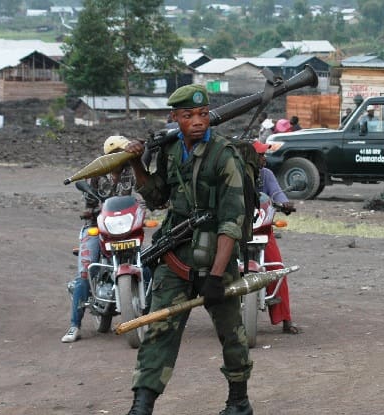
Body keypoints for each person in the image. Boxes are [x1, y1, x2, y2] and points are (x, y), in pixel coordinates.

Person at [123, 84, 253, 415]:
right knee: (159, 333)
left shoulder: (225, 156)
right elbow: (155, 198)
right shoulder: (169, 152)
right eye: (188, 115)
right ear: (175, 118)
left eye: (203, 114)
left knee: (232, 334)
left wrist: (216, 276)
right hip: (175, 258)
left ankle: (238, 401)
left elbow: (231, 222)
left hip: (216, 259)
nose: (197, 121)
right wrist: (137, 163)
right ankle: (141, 405)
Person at [61, 136, 136, 342]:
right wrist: (91, 210)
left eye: (124, 152)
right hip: (96, 226)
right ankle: (74, 326)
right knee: (85, 271)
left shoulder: (132, 171)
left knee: (147, 261)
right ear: (108, 156)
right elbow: (88, 204)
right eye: (117, 153)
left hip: (123, 226)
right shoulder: (95, 173)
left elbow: (140, 193)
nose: (121, 156)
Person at [252, 141, 299, 334]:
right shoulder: (233, 174)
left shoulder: (266, 175)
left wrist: (285, 204)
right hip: (235, 229)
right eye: (260, 155)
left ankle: (286, 319)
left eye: (264, 154)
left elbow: (278, 194)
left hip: (261, 228)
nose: (264, 159)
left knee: (277, 268)